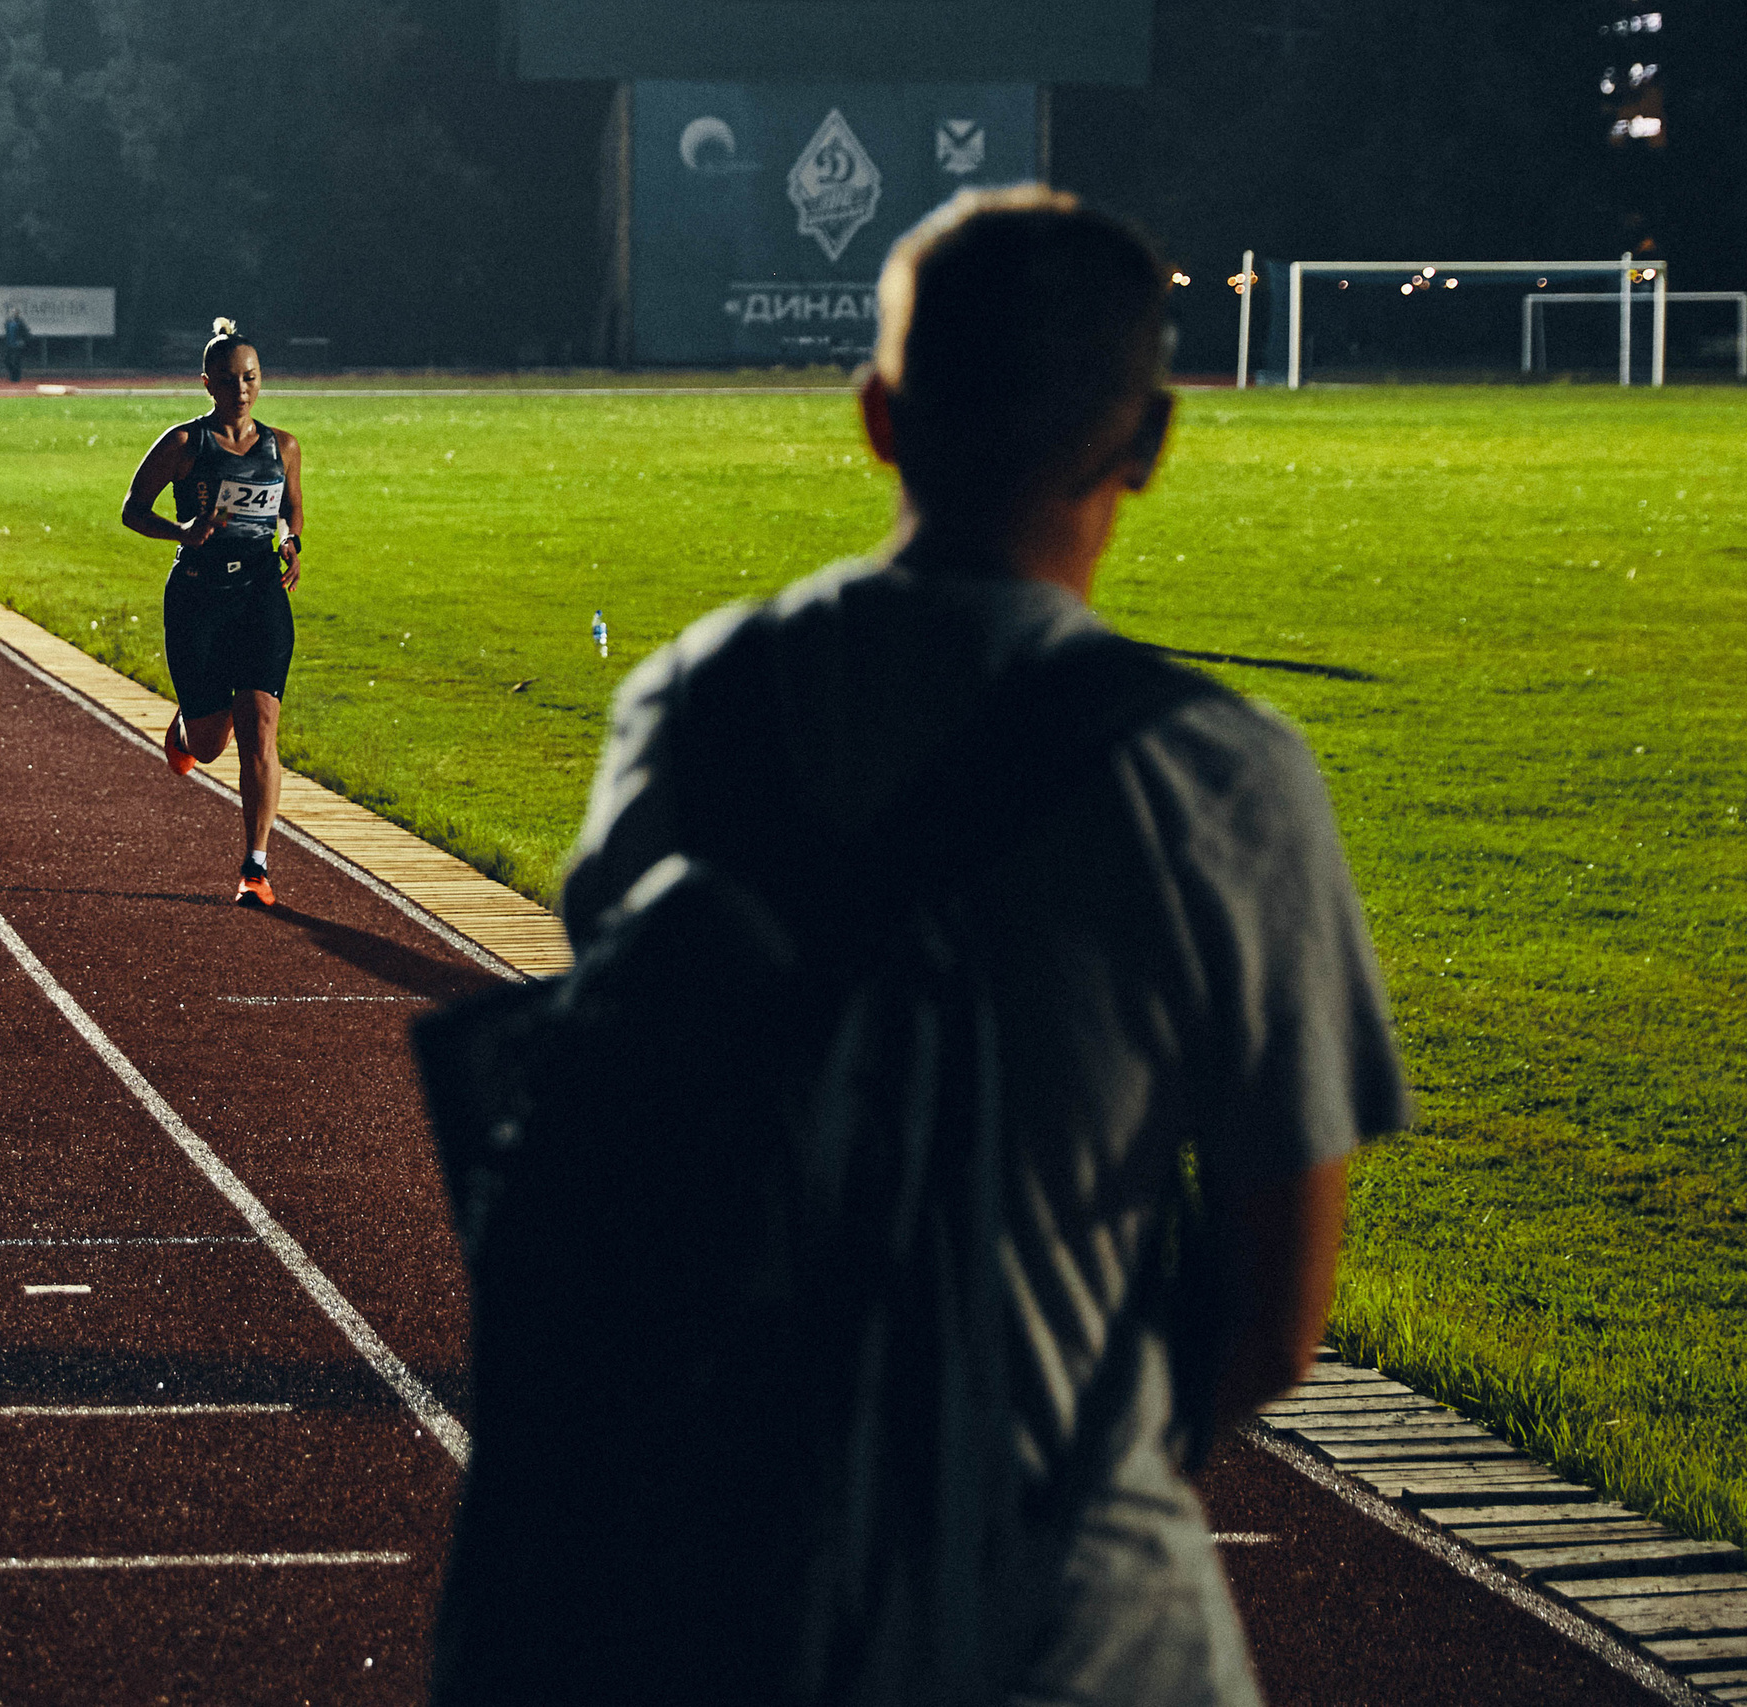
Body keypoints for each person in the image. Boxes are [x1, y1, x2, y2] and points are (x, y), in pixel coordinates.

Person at [527, 185, 1413, 1703]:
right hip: (1082, 1613)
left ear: (878, 414)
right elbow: (1277, 1318)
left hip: (735, 1583)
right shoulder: (1222, 776)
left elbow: (620, 1125)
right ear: (1148, 441)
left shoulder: (697, 704)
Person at [118, 317, 304, 907]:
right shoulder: (183, 445)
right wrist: (184, 531)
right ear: (207, 383)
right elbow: (131, 509)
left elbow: (291, 511)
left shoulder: (284, 447)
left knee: (261, 731)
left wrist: (291, 542)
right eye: (228, 380)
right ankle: (185, 727)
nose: (241, 389)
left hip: (259, 597)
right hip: (198, 596)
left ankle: (256, 866)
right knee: (208, 744)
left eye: (250, 377)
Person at [2, 306, 30, 383]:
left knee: (17, 361)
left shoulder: (20, 322)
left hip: (18, 345)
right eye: (12, 312)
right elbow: (7, 332)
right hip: (9, 344)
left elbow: (26, 333)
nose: (13, 314)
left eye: (15, 312)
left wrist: (23, 341)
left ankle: (16, 378)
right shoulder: (9, 322)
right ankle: (13, 374)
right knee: (7, 360)